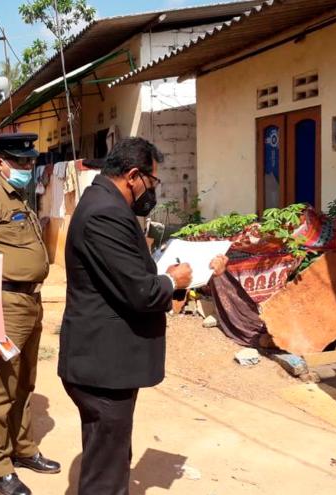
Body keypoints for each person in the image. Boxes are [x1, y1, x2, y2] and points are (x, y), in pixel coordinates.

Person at [58, 137, 227, 495]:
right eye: (152, 182)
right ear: (133, 176)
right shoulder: (106, 212)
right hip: (103, 368)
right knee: (105, 478)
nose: (152, 191)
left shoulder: (105, 203)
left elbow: (130, 275)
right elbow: (140, 291)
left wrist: (193, 274)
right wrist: (171, 279)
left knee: (109, 458)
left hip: (104, 364)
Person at [0, 133, 59, 495]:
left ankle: (23, 449)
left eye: (29, 162)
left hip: (31, 302)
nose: (26, 167)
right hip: (4, 303)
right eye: (19, 162)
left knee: (24, 382)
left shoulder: (19, 196)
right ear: (0, 162)